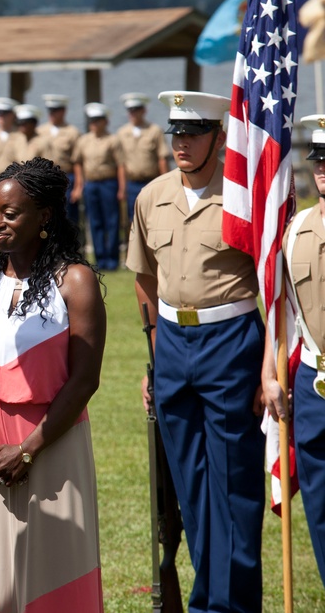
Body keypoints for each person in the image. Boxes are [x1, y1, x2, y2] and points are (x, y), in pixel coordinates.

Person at [127, 91, 264, 613]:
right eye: (176, 134)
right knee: (189, 489)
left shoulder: (243, 197)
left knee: (233, 488)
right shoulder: (152, 196)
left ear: (219, 137)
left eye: (194, 133)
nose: (182, 144)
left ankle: (229, 603)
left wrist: (268, 368)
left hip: (230, 341)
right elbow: (143, 276)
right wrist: (156, 353)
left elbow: (271, 284)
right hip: (172, 344)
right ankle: (212, 597)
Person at [0, 157, 105, 612]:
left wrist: (28, 448)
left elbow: (84, 380)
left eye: (11, 213)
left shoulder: (74, 282)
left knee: (55, 573)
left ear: (44, 216)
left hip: (53, 445)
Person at [264, 113, 325, 590]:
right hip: (310, 382)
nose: (322, 167)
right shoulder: (296, 228)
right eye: (319, 158)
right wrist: (270, 373)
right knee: (321, 510)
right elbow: (280, 314)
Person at [72, 103, 124, 271]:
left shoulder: (113, 140)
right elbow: (78, 162)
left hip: (108, 183)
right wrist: (79, 185)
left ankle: (112, 260)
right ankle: (100, 259)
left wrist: (121, 188)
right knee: (94, 222)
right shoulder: (84, 140)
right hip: (91, 184)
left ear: (105, 121)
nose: (94, 123)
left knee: (112, 222)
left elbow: (120, 165)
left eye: (97, 120)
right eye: (91, 120)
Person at [117, 92, 169, 223]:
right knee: (133, 219)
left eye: (136, 110)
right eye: (130, 110)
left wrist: (166, 184)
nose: (133, 113)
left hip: (151, 181)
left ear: (144, 110)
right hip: (132, 182)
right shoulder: (122, 133)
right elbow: (121, 163)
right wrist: (122, 188)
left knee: (153, 217)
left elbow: (162, 159)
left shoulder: (155, 130)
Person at [37, 94, 81, 226]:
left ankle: (69, 246)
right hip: (45, 178)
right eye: (50, 110)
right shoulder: (40, 131)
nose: (52, 114)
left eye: (55, 110)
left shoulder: (72, 132)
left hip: (66, 178)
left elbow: (77, 162)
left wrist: (78, 187)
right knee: (46, 215)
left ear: (63, 111)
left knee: (67, 215)